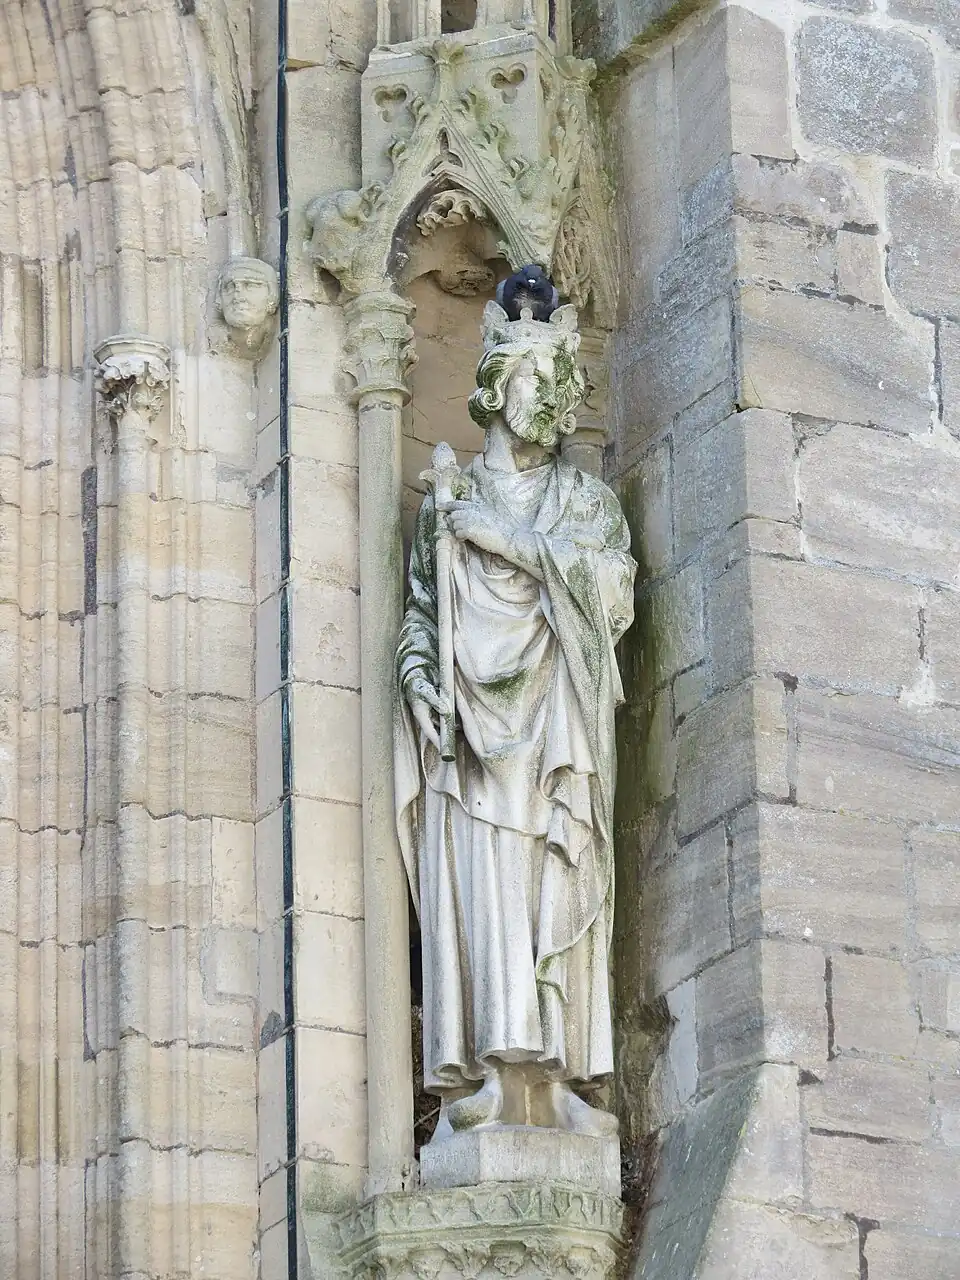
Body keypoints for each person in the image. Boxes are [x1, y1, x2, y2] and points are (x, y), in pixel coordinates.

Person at [394, 296, 636, 1142]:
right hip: (475, 739)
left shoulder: (584, 503)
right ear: (496, 385)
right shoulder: (446, 503)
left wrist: (505, 539)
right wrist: (421, 681)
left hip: (556, 732)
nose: (551, 398)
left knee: (553, 883)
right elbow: (422, 618)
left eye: (562, 382)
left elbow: (612, 599)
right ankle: (500, 1075)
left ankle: (558, 1075)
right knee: (488, 885)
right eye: (536, 377)